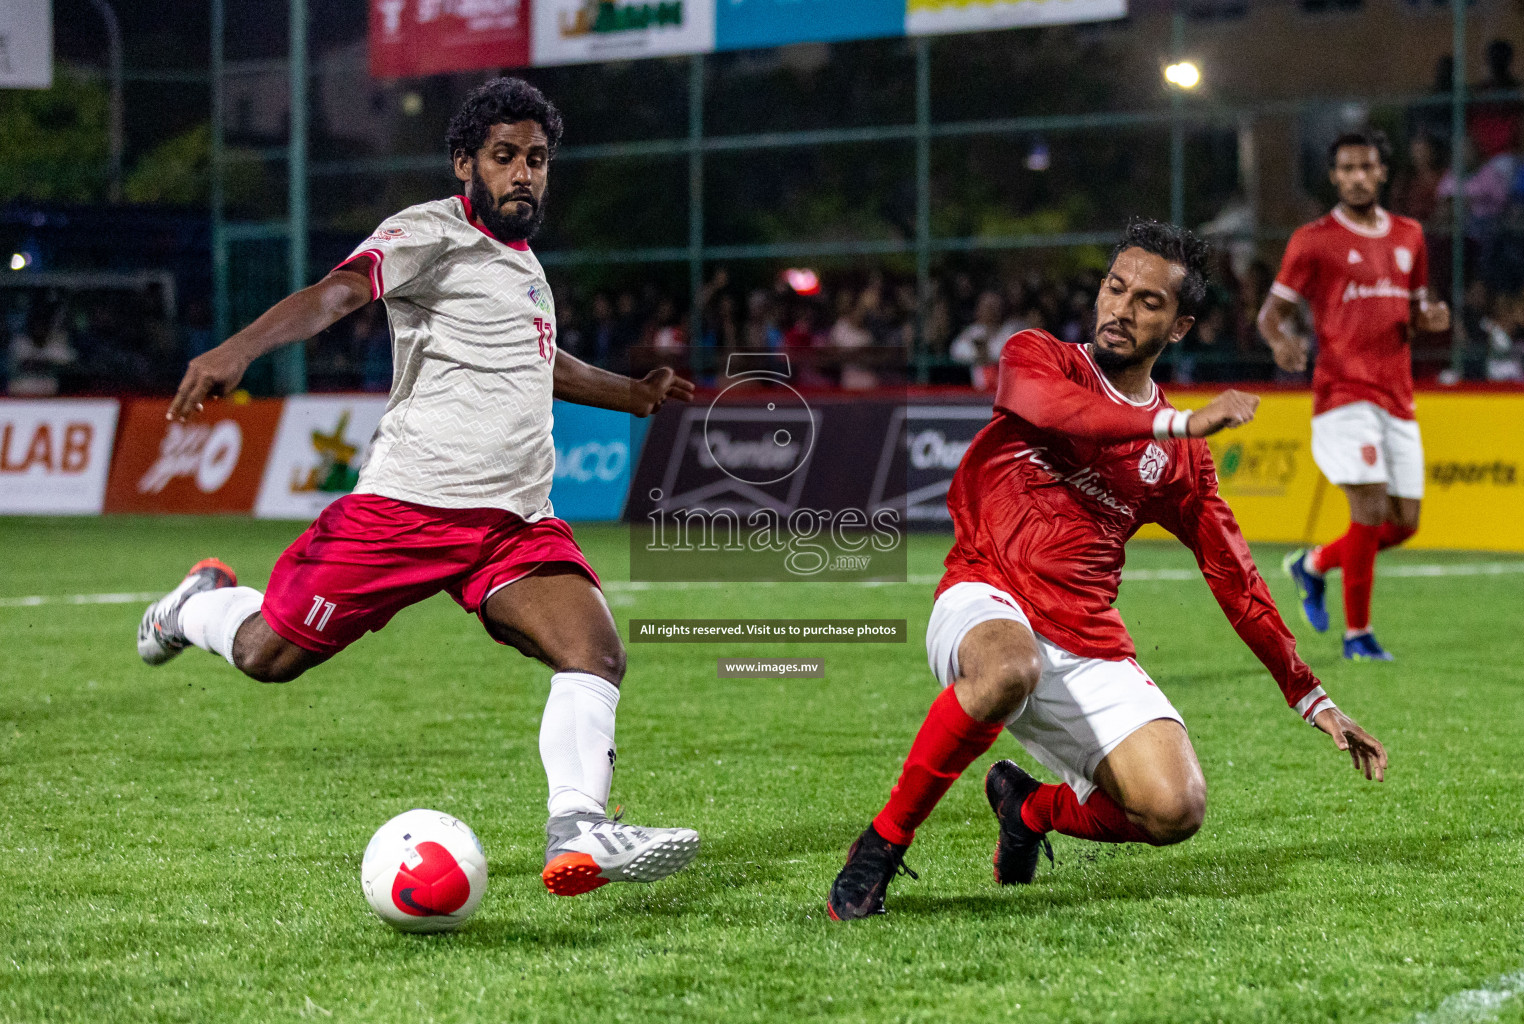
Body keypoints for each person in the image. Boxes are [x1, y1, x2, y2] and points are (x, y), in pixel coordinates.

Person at [137, 78, 700, 900]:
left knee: (594, 652)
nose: (523, 176)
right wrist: (240, 350)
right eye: (505, 158)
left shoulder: (524, 264)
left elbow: (540, 361)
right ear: (465, 161)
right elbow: (335, 293)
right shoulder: (428, 232)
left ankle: (579, 828)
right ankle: (192, 604)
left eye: (537, 160)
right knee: (268, 655)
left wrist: (630, 393)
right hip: (406, 511)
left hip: (513, 524)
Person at [827, 220, 1388, 921]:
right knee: (1007, 669)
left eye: (1147, 301)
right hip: (985, 594)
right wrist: (1175, 424)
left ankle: (1029, 807)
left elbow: (1236, 580)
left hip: (1084, 636)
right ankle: (879, 845)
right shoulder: (1040, 359)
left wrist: (1312, 698)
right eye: (1114, 288)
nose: (1120, 309)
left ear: (1179, 326)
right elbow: (1056, 410)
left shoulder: (1181, 464)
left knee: (1175, 809)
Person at [1258, 129, 1449, 662]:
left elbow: (1416, 310)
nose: (1357, 177)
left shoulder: (1410, 234)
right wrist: (1280, 341)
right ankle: (1357, 635)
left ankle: (1313, 565)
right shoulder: (1313, 239)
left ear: (1382, 172)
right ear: (1334, 176)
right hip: (1342, 392)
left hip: (1398, 394)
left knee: (1404, 523)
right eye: (1346, 168)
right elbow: (1271, 313)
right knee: (1367, 506)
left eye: (1366, 167)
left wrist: (1431, 317)